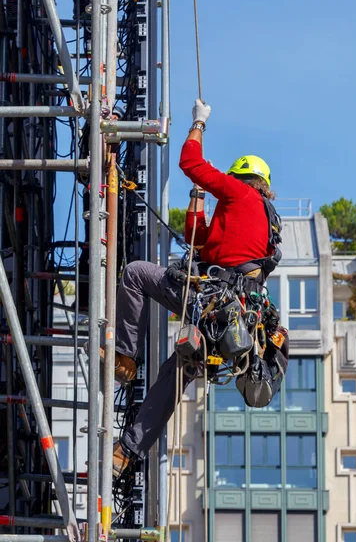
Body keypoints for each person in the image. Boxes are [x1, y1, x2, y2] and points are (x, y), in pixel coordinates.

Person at [112, 99, 285, 477]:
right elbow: (199, 240)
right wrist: (197, 201)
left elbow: (190, 162)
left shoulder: (239, 194)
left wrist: (198, 124)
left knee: (138, 273)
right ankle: (125, 453)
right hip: (229, 324)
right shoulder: (266, 222)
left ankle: (125, 357)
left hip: (213, 306)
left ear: (239, 179)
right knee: (172, 378)